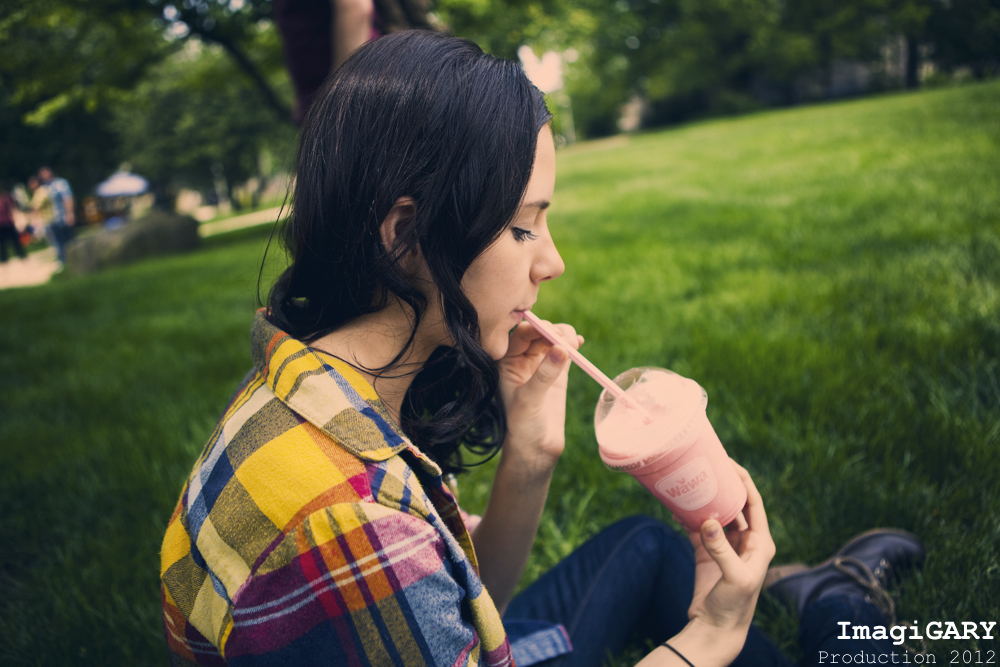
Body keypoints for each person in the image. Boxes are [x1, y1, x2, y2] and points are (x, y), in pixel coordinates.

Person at [160, 31, 924, 667]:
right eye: (524, 226)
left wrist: (531, 452)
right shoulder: (350, 514)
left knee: (649, 549)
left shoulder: (317, 388)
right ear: (405, 238)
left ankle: (816, 598)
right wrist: (713, 633)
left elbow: (470, 596)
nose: (551, 261)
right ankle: (842, 606)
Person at [37, 166, 75, 266]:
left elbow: (67, 199)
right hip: (51, 219)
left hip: (62, 217)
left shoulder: (60, 183)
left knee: (68, 240)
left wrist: (70, 213)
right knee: (57, 242)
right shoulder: (44, 187)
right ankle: (63, 261)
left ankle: (74, 259)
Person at [0, 189, 28, 264]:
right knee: (3, 244)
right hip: (3, 225)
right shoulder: (4, 200)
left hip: (8, 223)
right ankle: (4, 260)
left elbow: (12, 209)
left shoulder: (5, 200)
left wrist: (17, 219)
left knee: (14, 242)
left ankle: (22, 256)